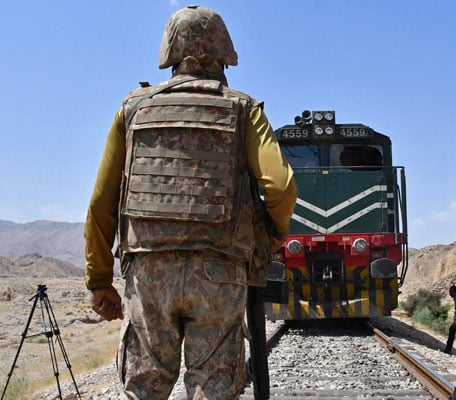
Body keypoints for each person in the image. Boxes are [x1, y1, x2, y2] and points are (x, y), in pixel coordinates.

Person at [84, 5, 297, 399]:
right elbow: (281, 185)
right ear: (224, 53)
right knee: (214, 387)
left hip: (148, 272)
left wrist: (99, 280)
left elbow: (101, 203)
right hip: (219, 270)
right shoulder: (244, 109)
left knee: (144, 388)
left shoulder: (132, 110)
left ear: (169, 52)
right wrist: (273, 234)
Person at [444, 285, 456, 354]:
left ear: (453, 291)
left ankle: (448, 349)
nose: (449, 293)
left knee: (452, 330)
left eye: (450, 291)